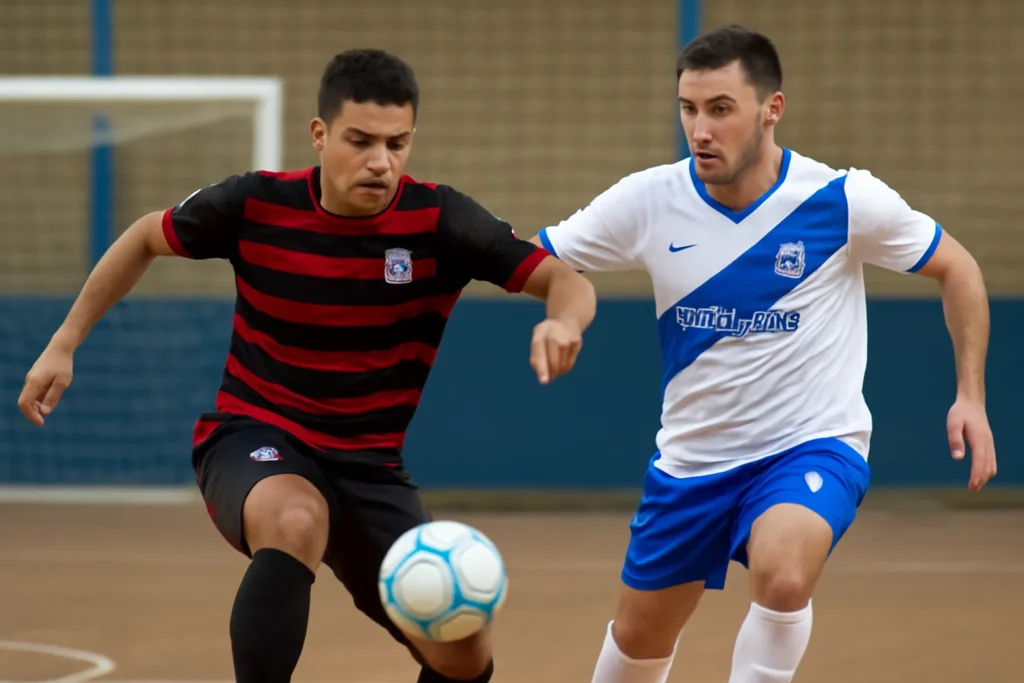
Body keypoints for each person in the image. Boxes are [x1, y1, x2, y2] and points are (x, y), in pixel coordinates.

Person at [18, 48, 596, 683]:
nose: (381, 161)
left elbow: (565, 280)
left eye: (397, 143)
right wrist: (64, 342)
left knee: (462, 655)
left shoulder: (441, 220)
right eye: (361, 140)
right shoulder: (255, 204)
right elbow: (143, 237)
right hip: (255, 438)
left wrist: (563, 320)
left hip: (370, 467)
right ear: (319, 135)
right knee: (297, 520)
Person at [532, 24, 996, 683]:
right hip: (692, 462)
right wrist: (560, 314)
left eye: (720, 109)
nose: (701, 129)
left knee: (782, 574)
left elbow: (959, 267)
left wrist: (970, 395)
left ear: (770, 109)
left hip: (811, 444)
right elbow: (533, 256)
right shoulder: (649, 200)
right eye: (689, 109)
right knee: (638, 641)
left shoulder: (839, 200)